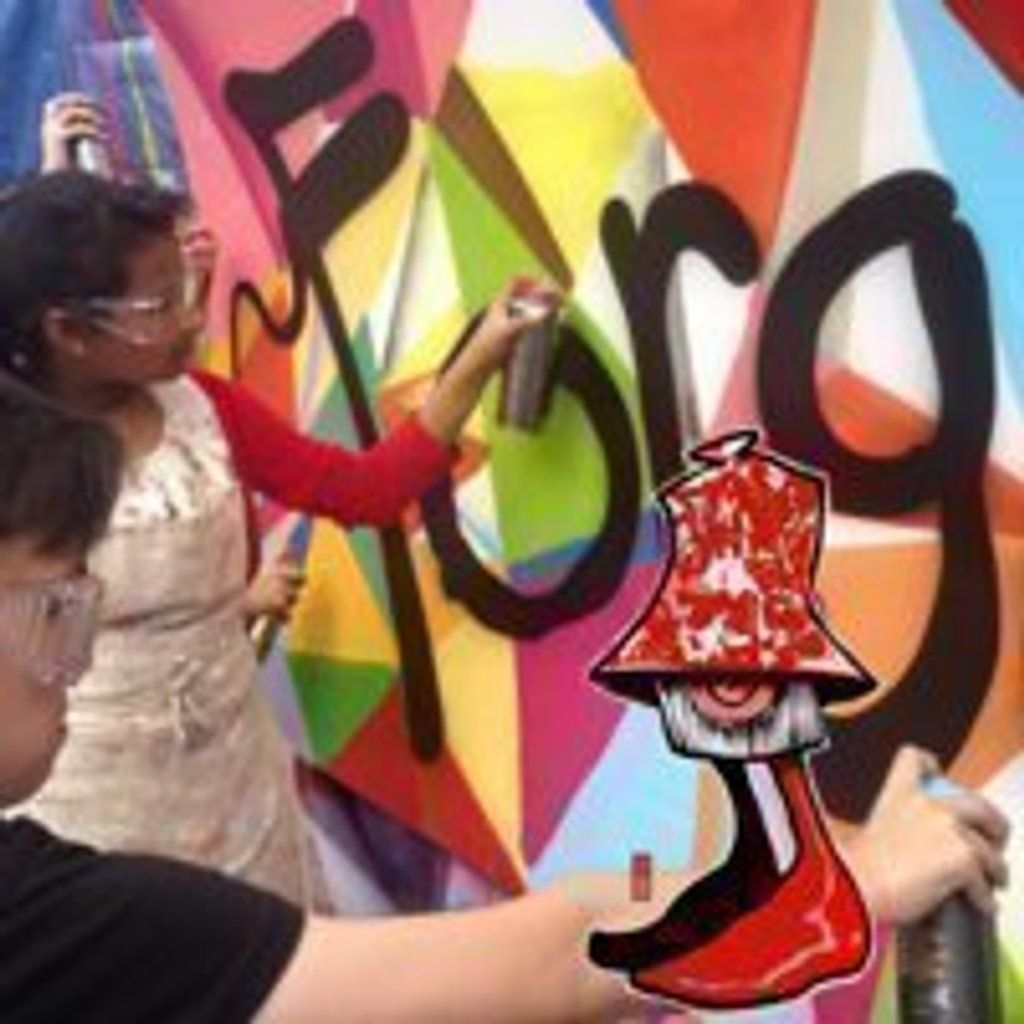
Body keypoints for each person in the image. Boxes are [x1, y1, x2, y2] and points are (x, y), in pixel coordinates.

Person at [0, 377, 1011, 1022]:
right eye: (57, 608)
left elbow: (567, 936)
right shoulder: (58, 925)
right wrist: (854, 881)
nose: (78, 660)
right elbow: (561, 961)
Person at [0, 167, 557, 906]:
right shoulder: (16, 461)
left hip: (241, 792)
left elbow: (368, 490)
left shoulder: (204, 408)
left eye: (187, 289)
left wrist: (478, 358)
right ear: (68, 331)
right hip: (96, 812)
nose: (193, 319)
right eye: (160, 305)